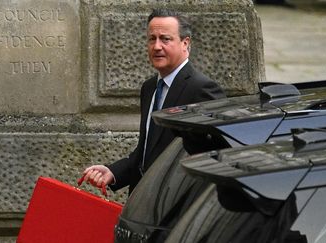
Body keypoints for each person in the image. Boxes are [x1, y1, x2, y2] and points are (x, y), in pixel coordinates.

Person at [79, 8, 226, 195]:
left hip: (176, 207)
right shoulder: (149, 88)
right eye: (152, 39)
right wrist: (113, 172)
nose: (157, 46)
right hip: (144, 202)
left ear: (185, 43)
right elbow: (147, 152)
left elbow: (218, 156)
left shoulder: (202, 89)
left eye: (165, 39)